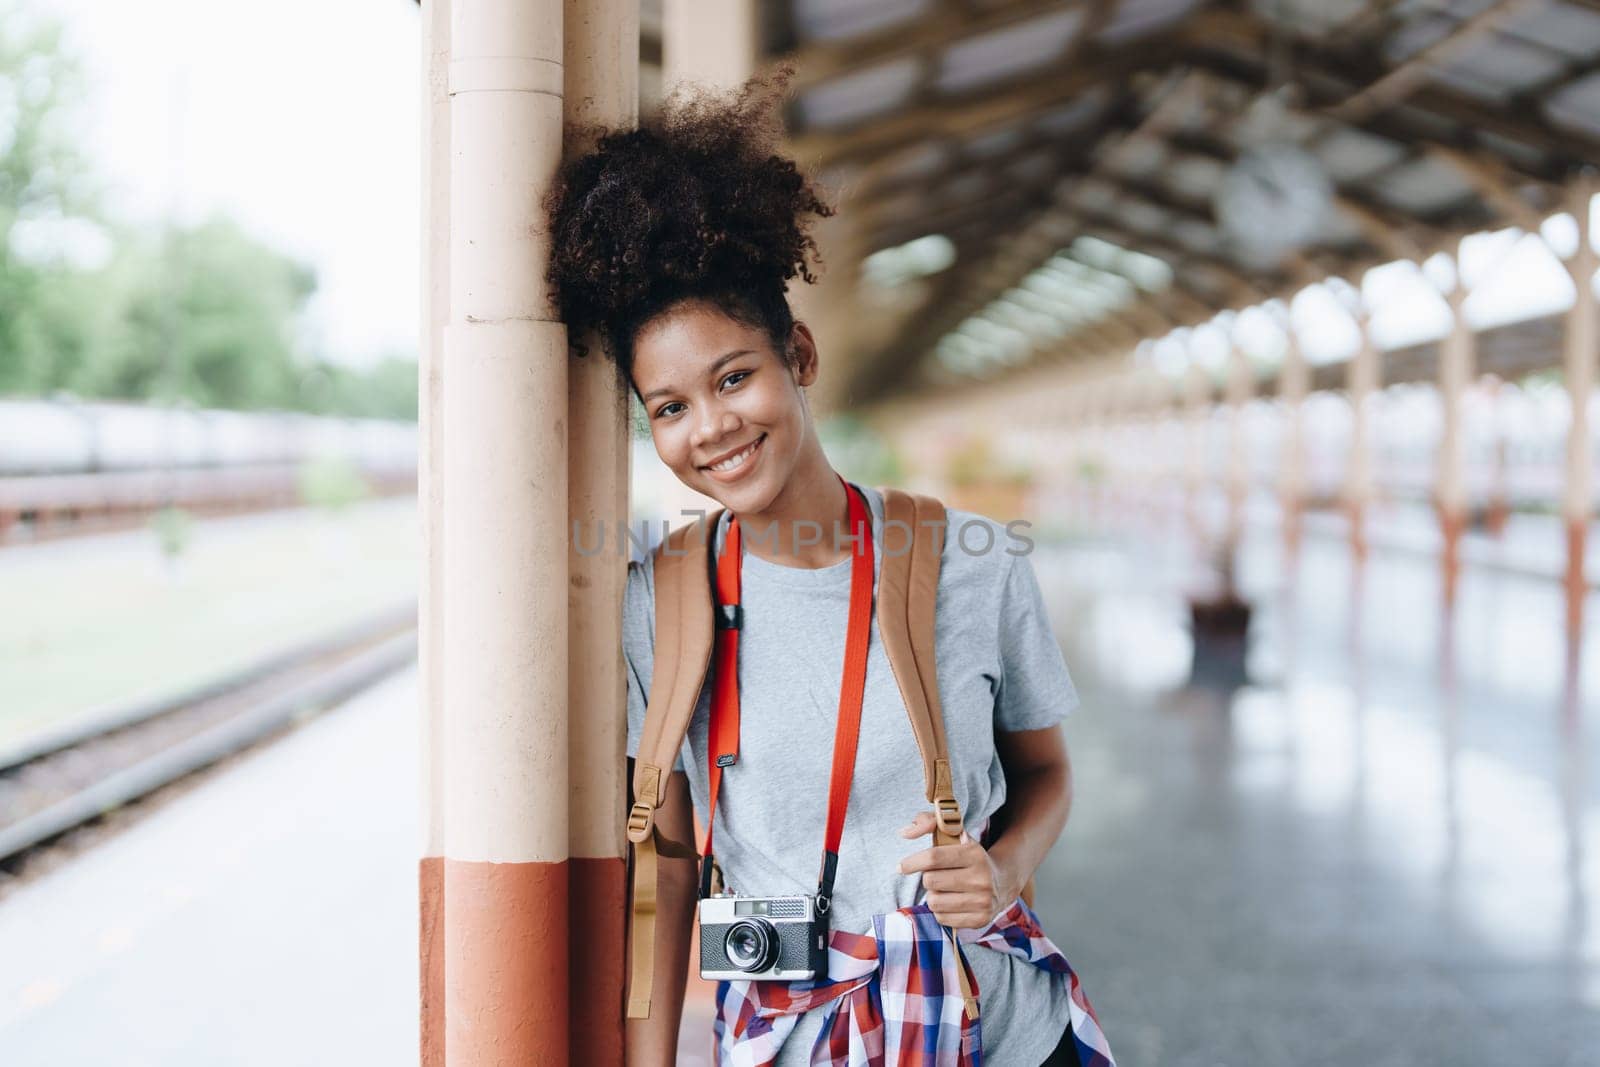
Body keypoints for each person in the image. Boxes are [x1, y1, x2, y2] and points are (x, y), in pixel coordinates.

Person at [546, 70, 1110, 1067]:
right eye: (669, 407)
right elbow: (668, 863)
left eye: (733, 376)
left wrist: (1004, 864)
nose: (711, 427)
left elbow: (1047, 771)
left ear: (797, 355)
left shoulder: (971, 563)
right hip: (785, 1040)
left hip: (987, 1032)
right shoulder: (656, 598)